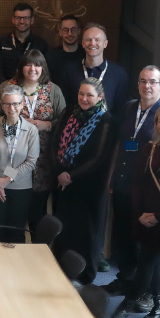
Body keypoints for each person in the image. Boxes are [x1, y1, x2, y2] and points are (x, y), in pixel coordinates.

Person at [108, 105, 160, 318]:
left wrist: (158, 216)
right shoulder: (150, 149)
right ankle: (159, 304)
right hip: (146, 215)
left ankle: (129, 301)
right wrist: (141, 213)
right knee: (154, 259)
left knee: (147, 260)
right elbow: (137, 183)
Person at [0, 49, 66, 231]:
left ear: (43, 68)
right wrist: (12, 129)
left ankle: (35, 251)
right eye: (28, 64)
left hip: (42, 160)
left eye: (37, 64)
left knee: (36, 211)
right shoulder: (7, 86)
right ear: (21, 67)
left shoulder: (53, 90)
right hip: (10, 157)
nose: (32, 68)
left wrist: (44, 125)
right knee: (9, 213)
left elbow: (64, 121)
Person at [104, 66, 160, 297]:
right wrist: (111, 177)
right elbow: (121, 144)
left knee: (143, 239)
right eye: (142, 81)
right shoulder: (129, 107)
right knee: (124, 235)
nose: (147, 86)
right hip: (122, 182)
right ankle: (125, 279)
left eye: (152, 82)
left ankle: (146, 290)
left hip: (146, 188)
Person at [50, 78, 116, 284]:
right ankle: (61, 271)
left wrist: (72, 176)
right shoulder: (68, 112)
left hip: (89, 187)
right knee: (64, 230)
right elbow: (54, 143)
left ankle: (84, 276)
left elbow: (98, 156)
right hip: (62, 184)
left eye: (89, 95)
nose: (84, 99)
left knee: (86, 233)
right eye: (81, 94)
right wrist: (60, 171)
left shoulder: (106, 120)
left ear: (100, 97)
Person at [0, 84, 40, 243]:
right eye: (7, 104)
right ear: (2, 105)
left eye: (15, 103)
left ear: (22, 104)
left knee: (16, 233)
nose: (12, 108)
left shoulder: (31, 130)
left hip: (20, 189)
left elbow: (31, 162)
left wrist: (6, 180)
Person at [58, 23, 129, 115]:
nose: (92, 43)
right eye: (88, 40)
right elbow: (65, 105)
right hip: (75, 126)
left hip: (107, 127)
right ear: (83, 43)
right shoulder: (69, 70)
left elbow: (121, 110)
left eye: (97, 40)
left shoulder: (119, 74)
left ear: (105, 44)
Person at [0, 3, 49, 85]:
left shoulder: (41, 44)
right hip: (7, 91)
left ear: (32, 20)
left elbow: (44, 71)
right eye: (18, 18)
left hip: (31, 90)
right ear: (13, 19)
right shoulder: (1, 42)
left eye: (26, 18)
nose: (22, 21)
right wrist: (6, 88)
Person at [45, 14, 83, 86]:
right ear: (60, 32)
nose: (69, 34)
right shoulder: (50, 57)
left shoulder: (86, 55)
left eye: (73, 30)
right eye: (66, 30)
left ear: (79, 31)